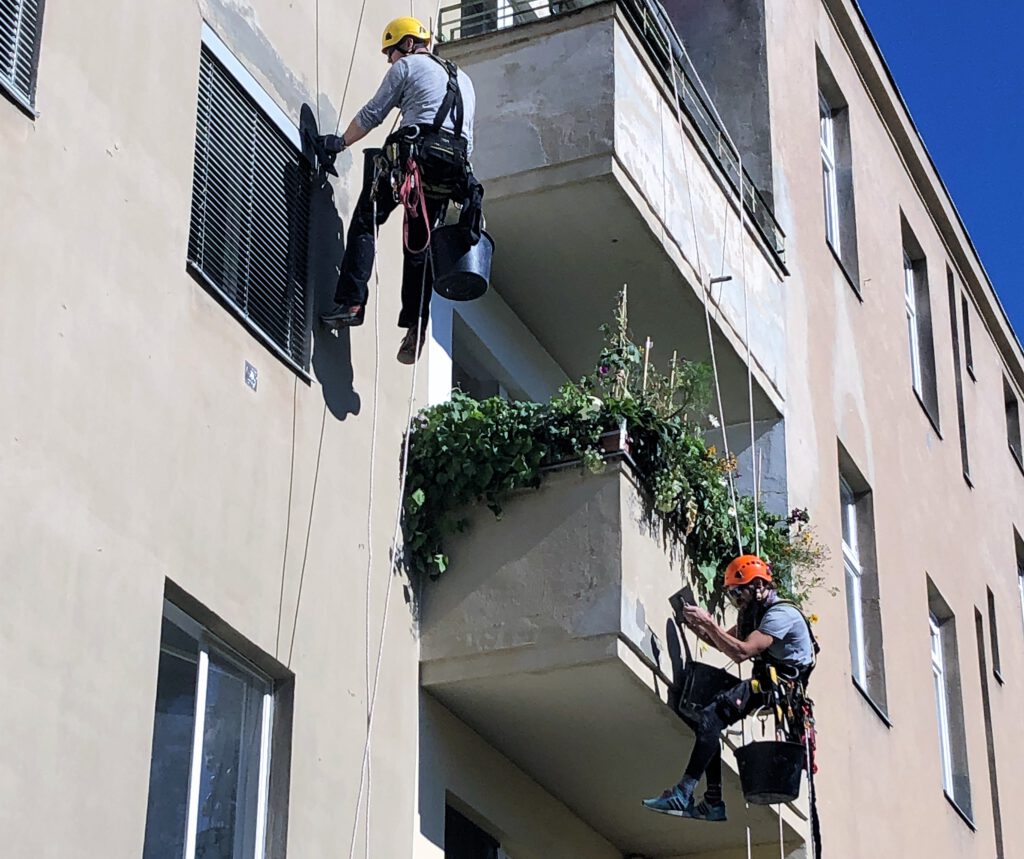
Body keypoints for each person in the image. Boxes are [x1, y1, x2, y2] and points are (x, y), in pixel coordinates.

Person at [318, 16, 478, 364]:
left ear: (406, 44)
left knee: (367, 218)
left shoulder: (407, 67)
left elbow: (374, 113)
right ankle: (416, 324)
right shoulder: (464, 80)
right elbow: (468, 140)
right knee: (419, 247)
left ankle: (352, 301)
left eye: (391, 53)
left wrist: (340, 143)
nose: (391, 60)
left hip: (411, 163)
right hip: (449, 174)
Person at [642, 555, 815, 821]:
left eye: (738, 591)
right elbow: (725, 641)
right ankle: (711, 801)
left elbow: (741, 652)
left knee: (711, 716)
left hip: (778, 686)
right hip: (767, 683)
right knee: (708, 717)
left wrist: (709, 624)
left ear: (757, 586)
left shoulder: (781, 614)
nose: (736, 599)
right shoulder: (754, 613)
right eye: (733, 593)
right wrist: (698, 626)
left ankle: (686, 793)